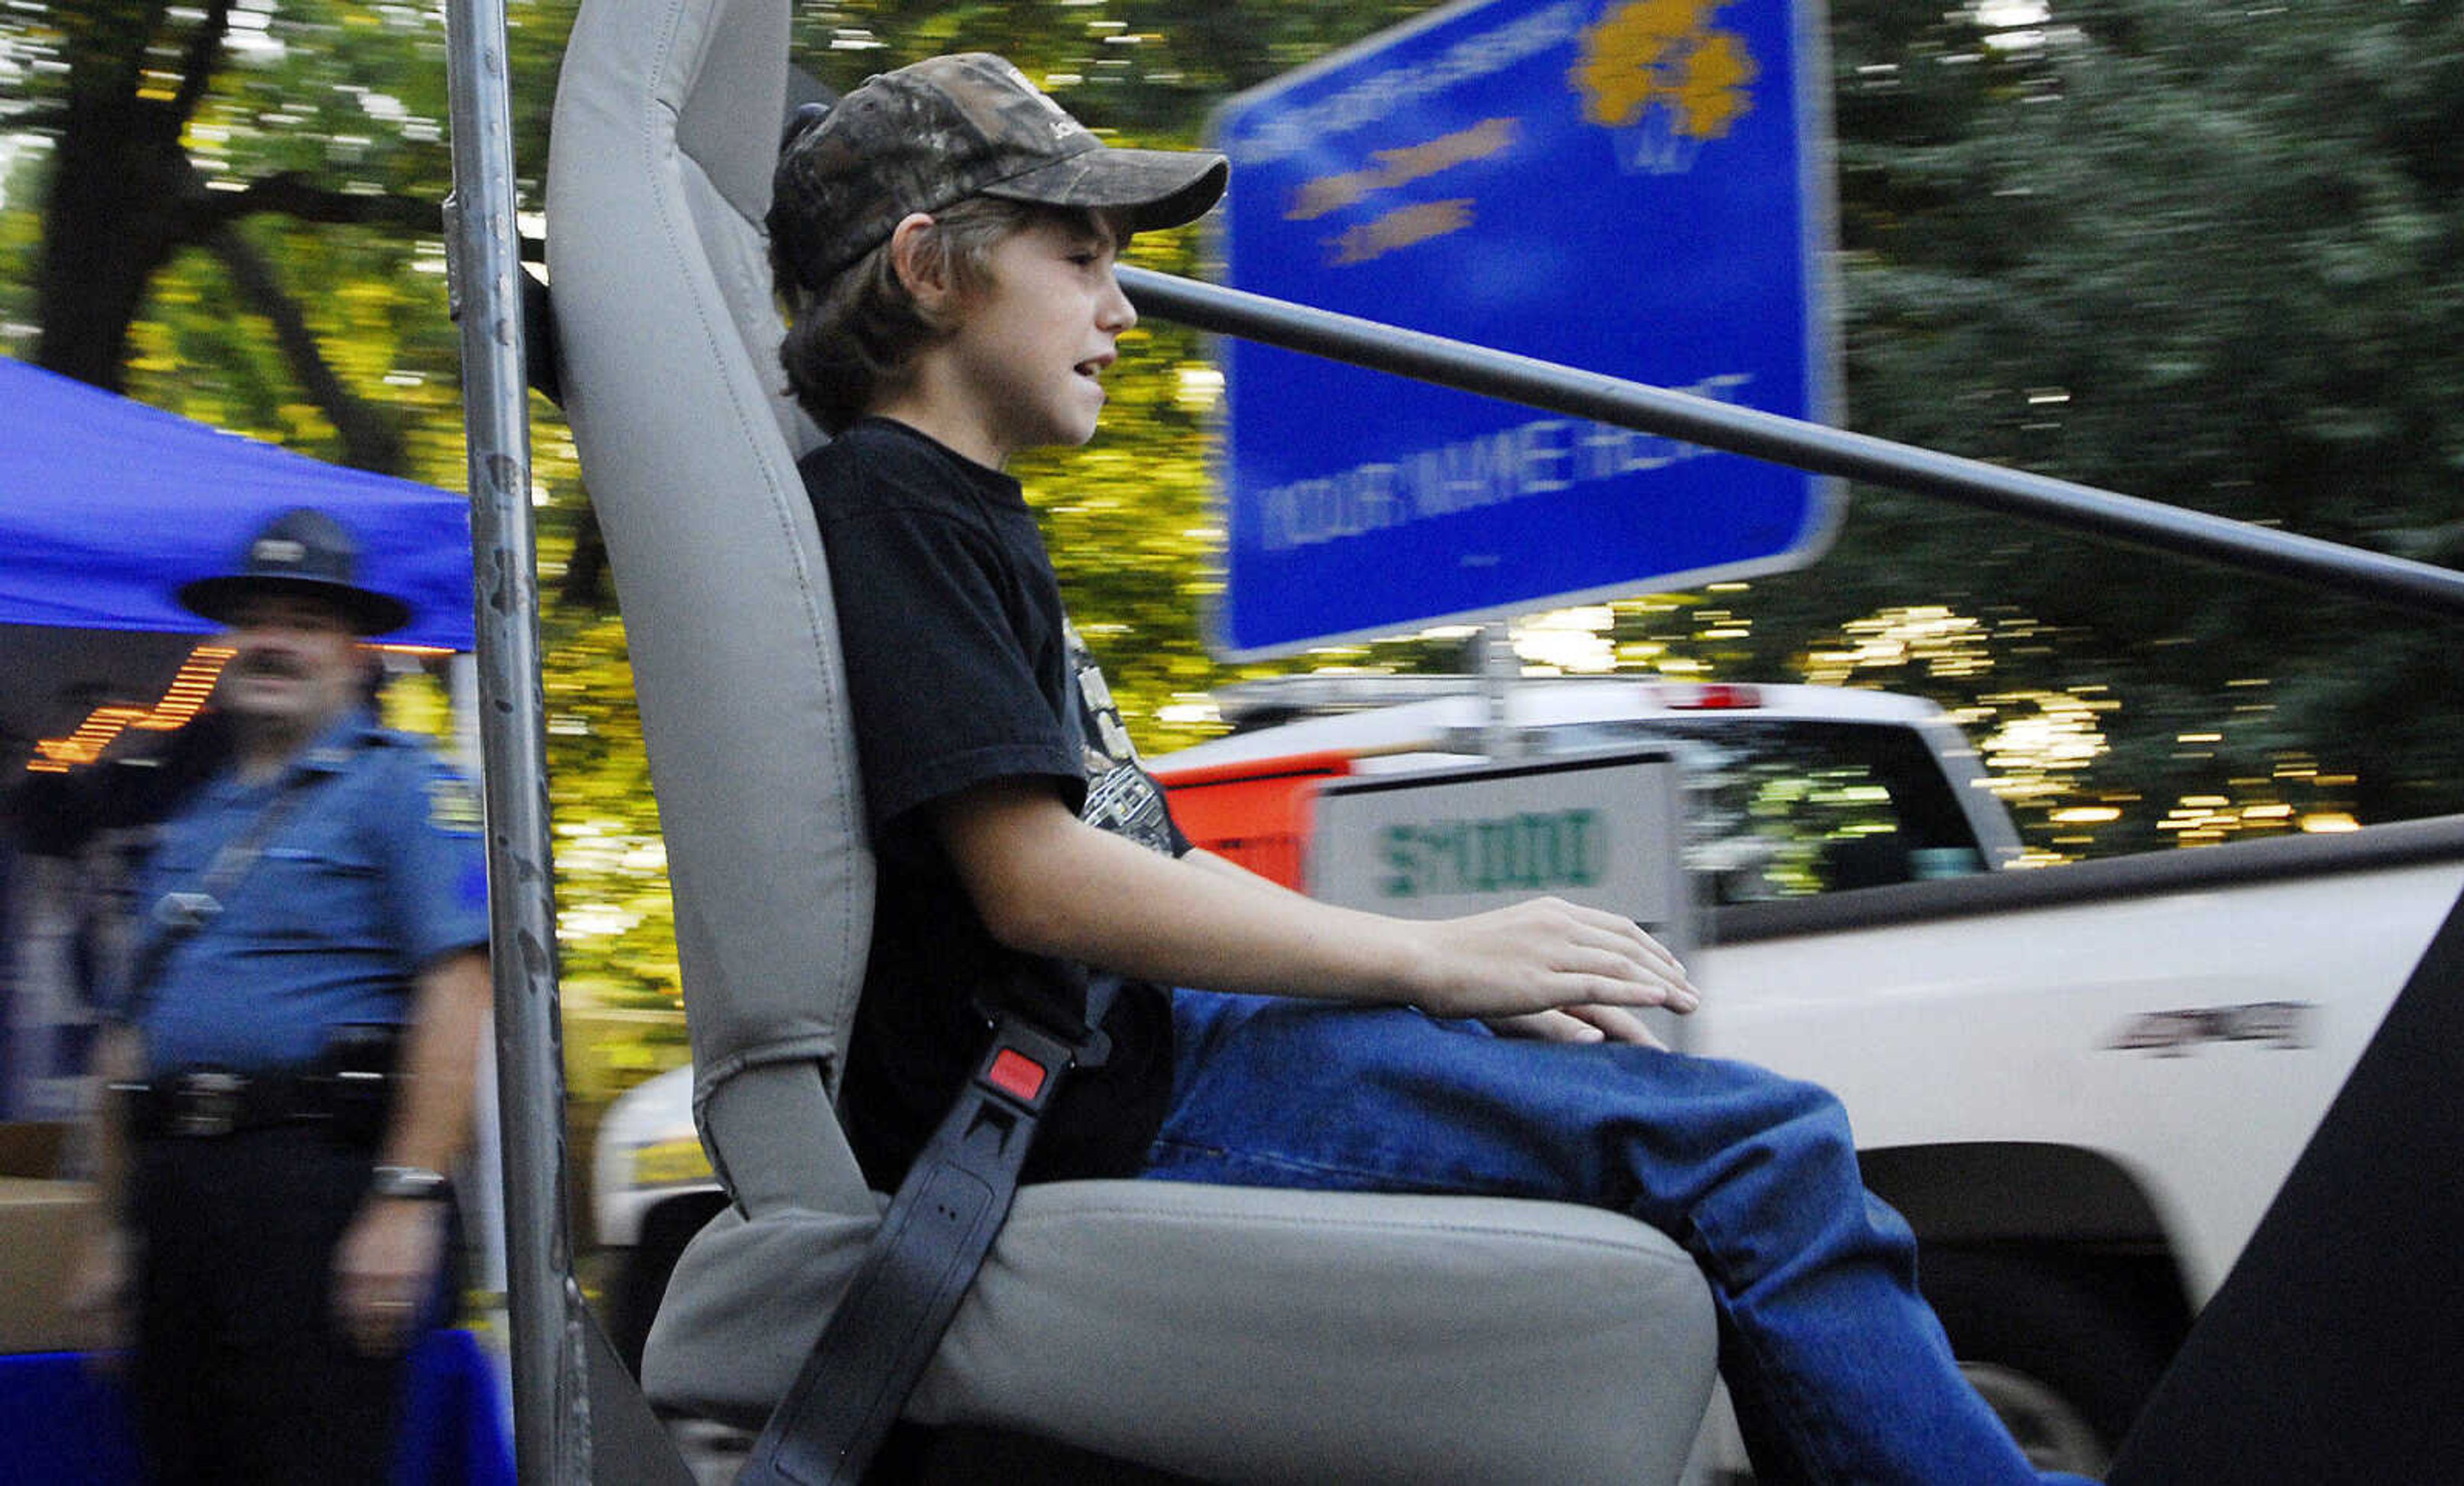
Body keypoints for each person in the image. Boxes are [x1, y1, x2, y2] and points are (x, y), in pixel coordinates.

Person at [767, 53, 2091, 1485]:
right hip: (1101, 1101)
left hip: (1156, 1048)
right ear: (929, 271)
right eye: (1080, 257)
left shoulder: (951, 511)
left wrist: (1430, 986)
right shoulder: (892, 506)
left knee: (1695, 1120)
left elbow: (1132, 854)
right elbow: (1037, 883)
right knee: (1755, 1152)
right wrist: (1431, 961)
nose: (1124, 307)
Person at [63, 508, 492, 1484]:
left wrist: (405, 1198)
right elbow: (126, 1044)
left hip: (316, 1187)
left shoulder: (403, 786)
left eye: (303, 620)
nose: (272, 641)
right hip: (178, 1194)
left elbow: (458, 989)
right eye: (255, 619)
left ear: (353, 652)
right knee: (182, 1458)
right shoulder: (190, 818)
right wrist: (112, 1231)